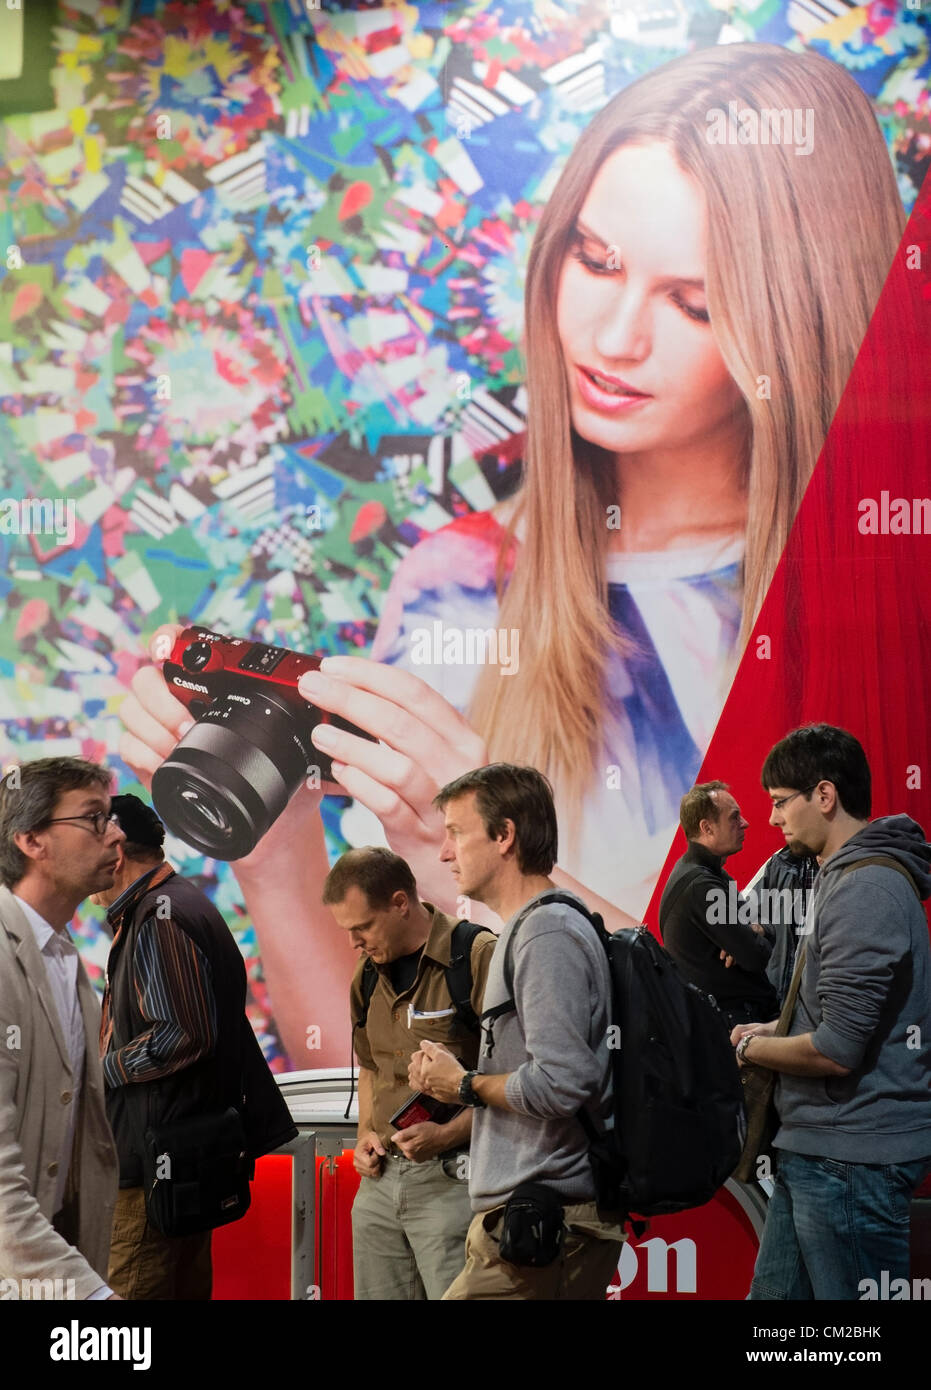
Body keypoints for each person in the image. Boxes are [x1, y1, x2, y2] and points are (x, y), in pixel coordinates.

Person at [118, 44, 906, 1064]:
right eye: (596, 258)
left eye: (694, 302)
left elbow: (773, 1061)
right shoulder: (460, 581)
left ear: (803, 321)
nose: (613, 337)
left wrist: (482, 868)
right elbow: (381, 1082)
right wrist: (277, 855)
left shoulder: (876, 614)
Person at [410, 764, 624, 1300]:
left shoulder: (547, 932)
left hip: (546, 1223)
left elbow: (562, 1082)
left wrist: (462, 1085)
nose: (443, 852)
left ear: (504, 835)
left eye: (456, 833)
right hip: (532, 1221)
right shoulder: (533, 928)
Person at [733, 724, 931, 1301]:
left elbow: (835, 1050)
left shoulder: (864, 889)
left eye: (778, 802)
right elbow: (831, 1016)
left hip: (851, 1160)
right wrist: (772, 1028)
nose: (772, 820)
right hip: (824, 1153)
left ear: (825, 795)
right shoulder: (846, 879)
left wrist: (747, 1047)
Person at [96, 793, 296, 1299]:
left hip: (154, 1163)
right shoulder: (166, 905)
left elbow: (181, 1034)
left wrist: (98, 1070)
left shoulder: (159, 914)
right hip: (171, 1156)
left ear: (116, 852)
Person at [324, 846, 495, 1301]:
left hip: (457, 1181)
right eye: (347, 930)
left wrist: (446, 1135)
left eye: (362, 927)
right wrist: (363, 1133)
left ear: (401, 903)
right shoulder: (364, 975)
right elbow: (371, 1066)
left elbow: (518, 1083)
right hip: (379, 1186)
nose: (353, 942)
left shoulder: (476, 956)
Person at [0, 757, 122, 1300]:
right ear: (31, 840)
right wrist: (91, 1298)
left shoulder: (65, 959)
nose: (116, 832)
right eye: (94, 818)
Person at [659, 780, 778, 1031]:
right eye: (734, 818)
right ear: (707, 828)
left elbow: (763, 929)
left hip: (731, 1024)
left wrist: (755, 930)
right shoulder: (702, 886)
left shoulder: (706, 875)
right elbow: (758, 956)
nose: (745, 823)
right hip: (733, 1032)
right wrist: (751, 934)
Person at [742, 843, 818, 1007]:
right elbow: (745, 914)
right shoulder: (781, 862)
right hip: (779, 1004)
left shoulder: (859, 870)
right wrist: (754, 929)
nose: (775, 820)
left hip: (828, 1010)